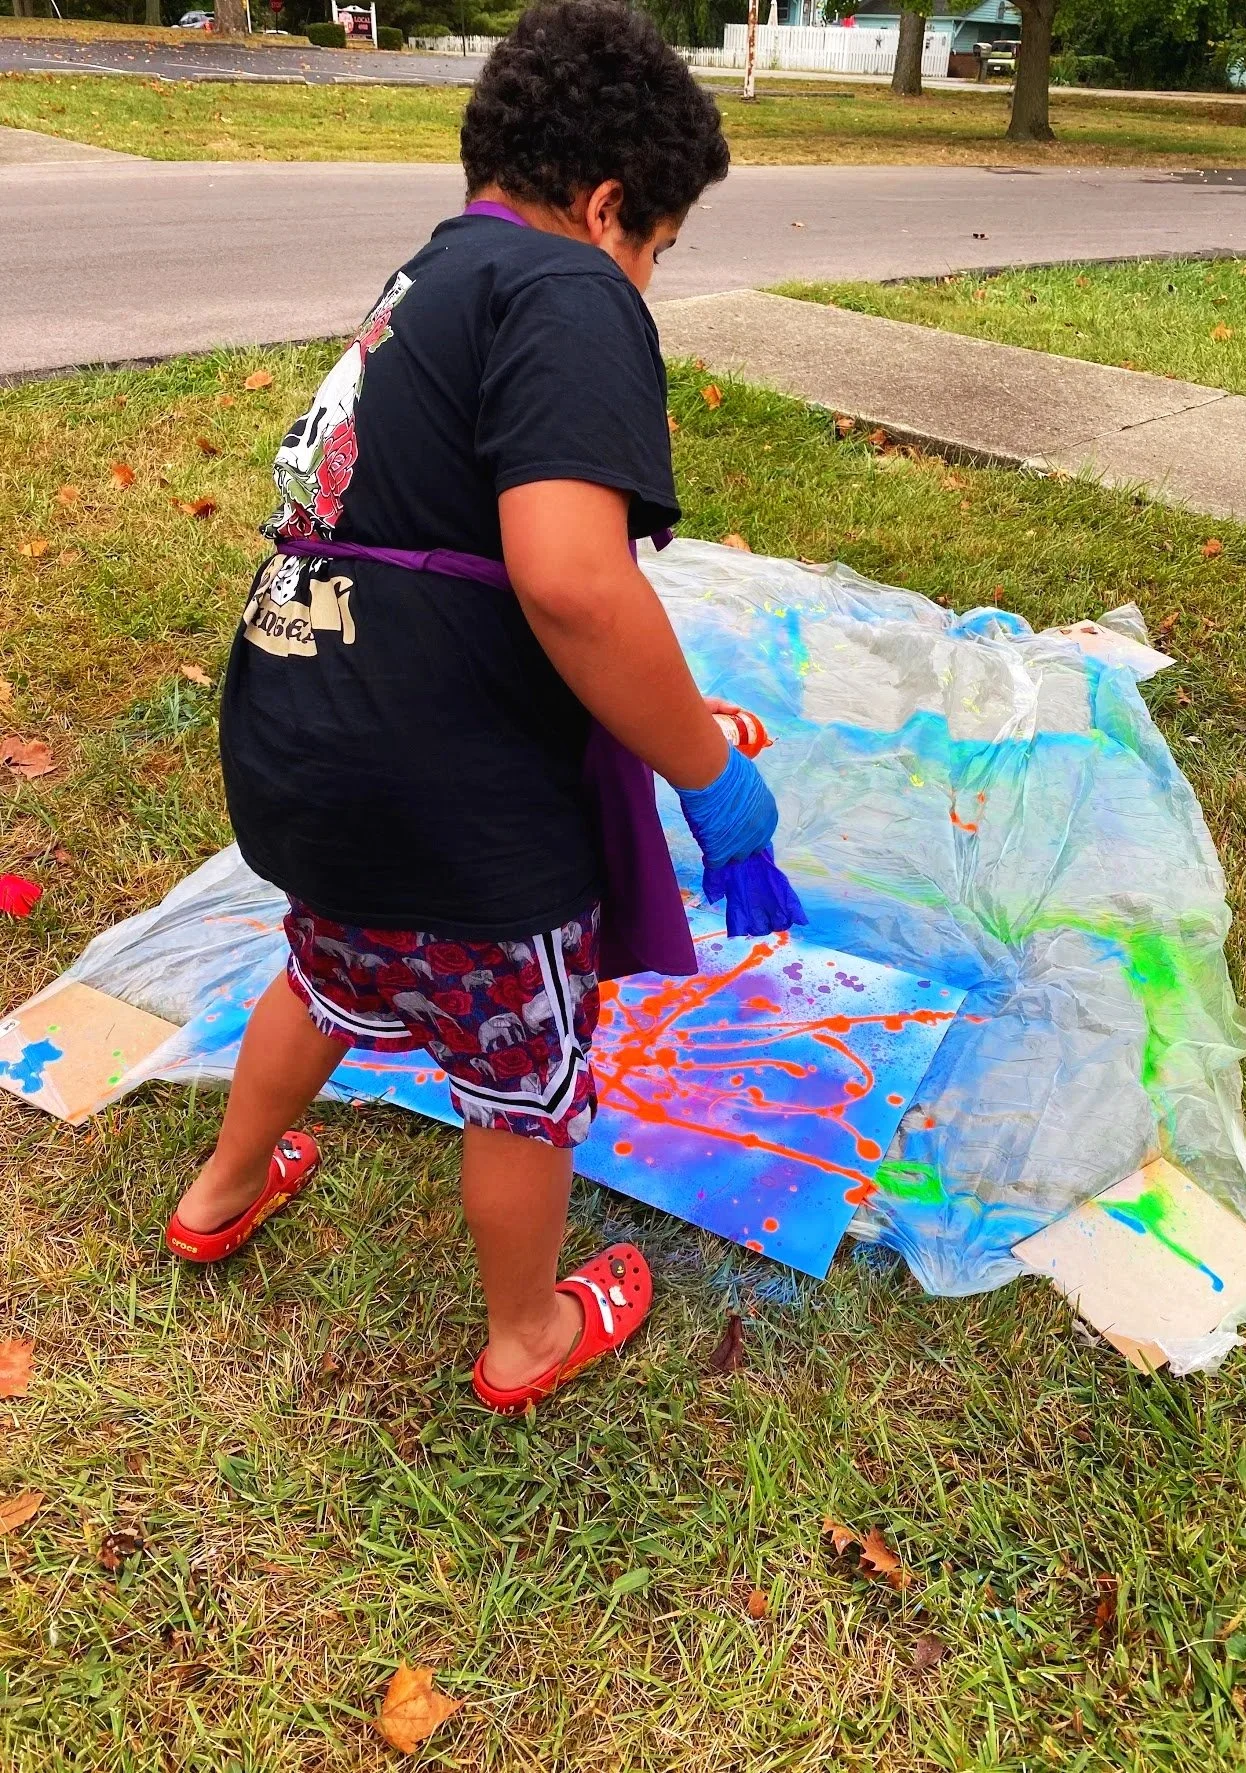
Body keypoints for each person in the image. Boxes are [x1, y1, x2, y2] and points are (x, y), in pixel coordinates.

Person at [166, 0, 792, 1413]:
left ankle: (222, 1186)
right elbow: (573, 583)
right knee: (522, 1074)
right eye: (657, 252)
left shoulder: (432, 280)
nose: (646, 280)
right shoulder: (570, 290)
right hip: (452, 800)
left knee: (328, 974)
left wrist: (669, 703)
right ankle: (524, 1335)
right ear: (612, 205)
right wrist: (703, 771)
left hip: (304, 741)